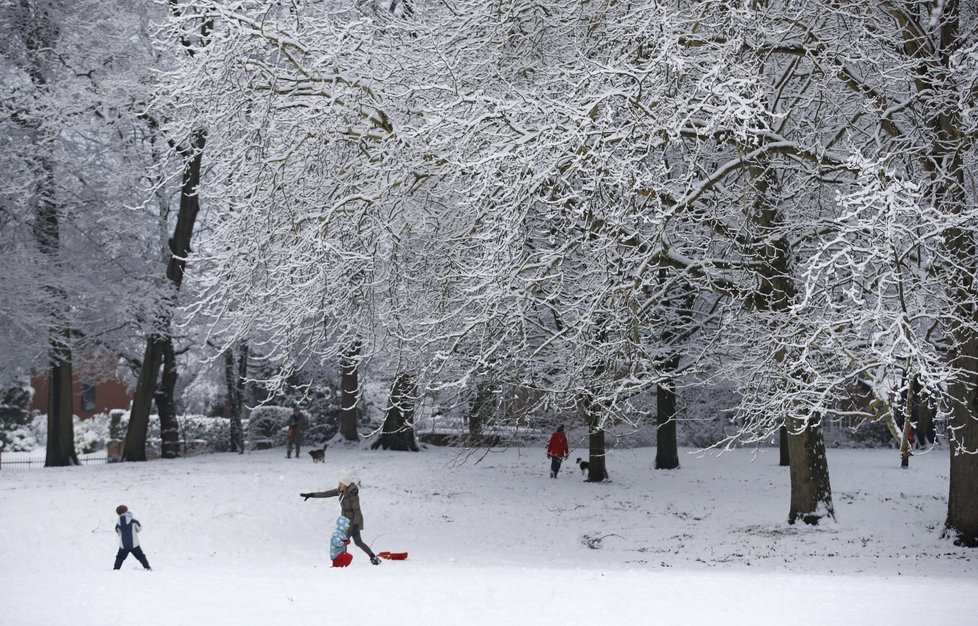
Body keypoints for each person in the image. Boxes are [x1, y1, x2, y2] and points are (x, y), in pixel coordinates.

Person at [301, 474, 381, 565]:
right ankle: (343, 559)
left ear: (346, 485)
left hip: (354, 522)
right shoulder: (340, 492)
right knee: (344, 541)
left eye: (341, 484)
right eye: (339, 483)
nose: (339, 486)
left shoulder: (353, 496)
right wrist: (311, 495)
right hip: (345, 522)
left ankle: (372, 557)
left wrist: (355, 526)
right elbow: (326, 493)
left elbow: (357, 512)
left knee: (356, 542)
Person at [113, 505, 152, 571]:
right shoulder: (133, 521)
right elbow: (139, 528)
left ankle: (116, 568)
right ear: (126, 511)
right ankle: (147, 567)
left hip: (123, 545)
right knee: (140, 556)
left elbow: (118, 531)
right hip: (134, 544)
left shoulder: (118, 523)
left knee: (120, 557)